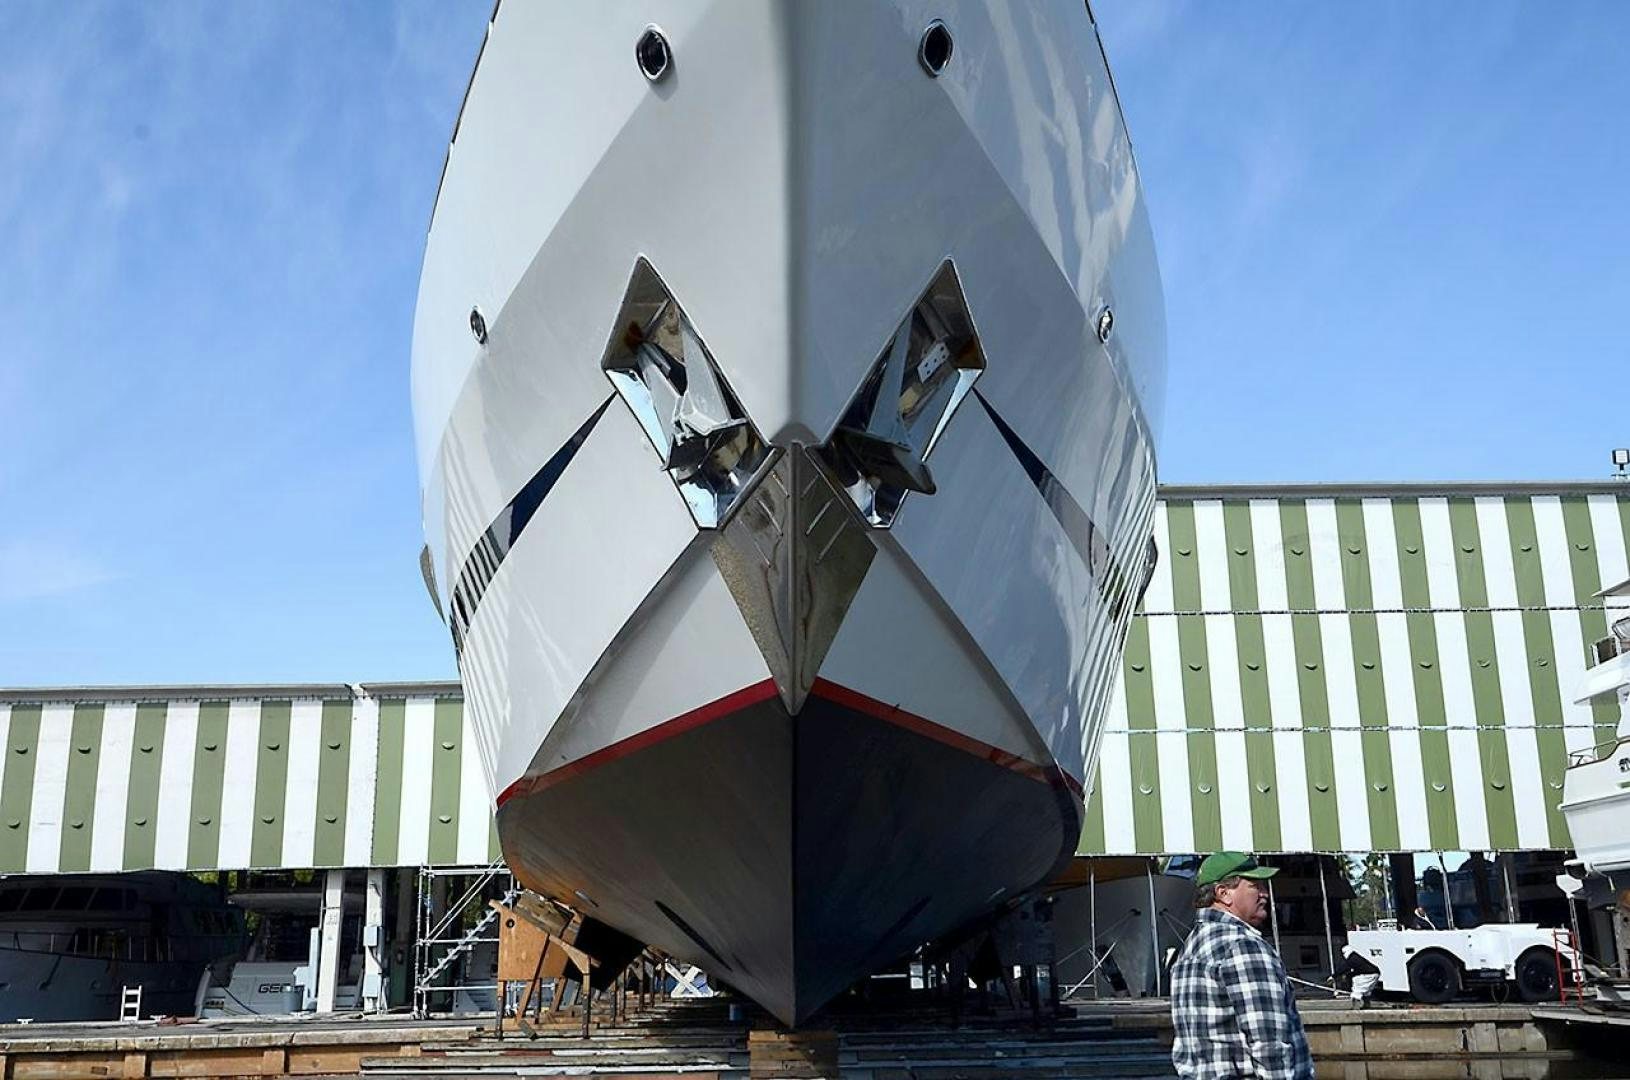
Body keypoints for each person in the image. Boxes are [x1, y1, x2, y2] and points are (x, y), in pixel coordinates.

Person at [1170, 851, 1313, 1080]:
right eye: (1255, 885)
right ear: (1223, 893)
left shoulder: (1189, 949)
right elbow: (1268, 1042)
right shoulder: (1242, 945)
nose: (1265, 893)